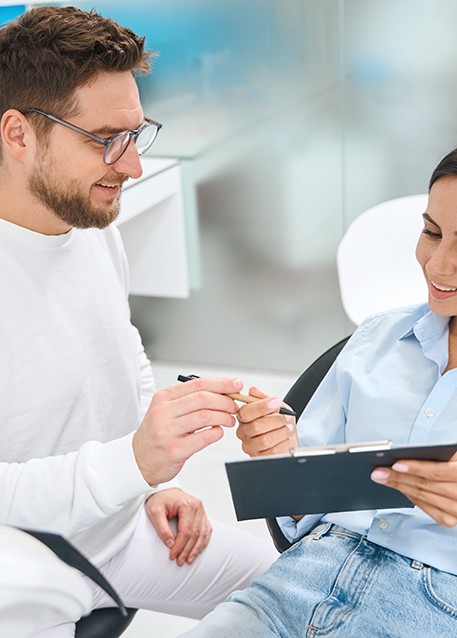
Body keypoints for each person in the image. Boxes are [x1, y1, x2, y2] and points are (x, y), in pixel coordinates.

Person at [0, 6, 279, 636]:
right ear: (18, 134)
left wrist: (145, 484)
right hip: (24, 564)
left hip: (122, 533)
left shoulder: (89, 226)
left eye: (136, 133)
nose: (132, 166)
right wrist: (133, 465)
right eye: (105, 141)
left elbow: (121, 352)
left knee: (319, 586)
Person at [180, 147, 457, 637]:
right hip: (304, 577)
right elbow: (301, 512)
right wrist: (281, 457)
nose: (438, 264)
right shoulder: (378, 340)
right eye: (431, 232)